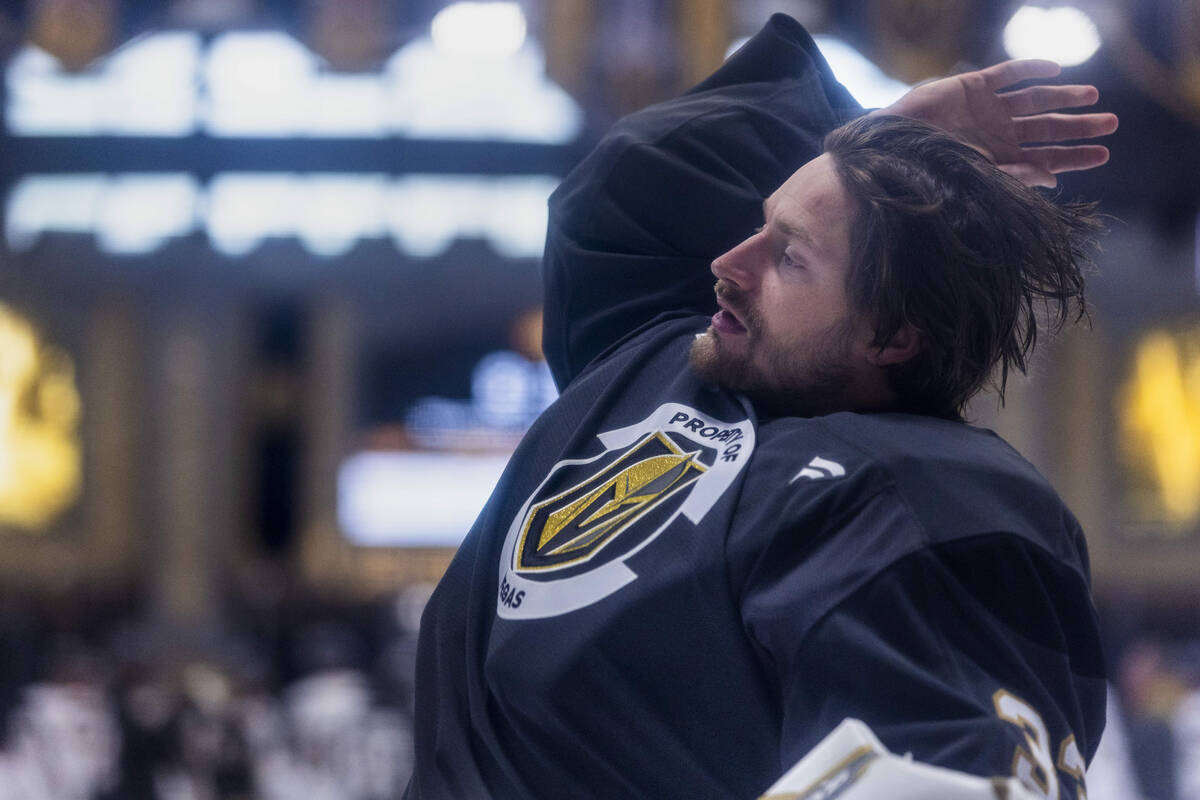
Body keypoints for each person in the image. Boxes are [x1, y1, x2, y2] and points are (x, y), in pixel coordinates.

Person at [404, 14, 1118, 800]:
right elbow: (622, 183)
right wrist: (871, 131)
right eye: (759, 224)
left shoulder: (917, 497)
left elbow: (942, 767)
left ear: (894, 333)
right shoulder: (662, 347)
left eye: (789, 257)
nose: (727, 263)